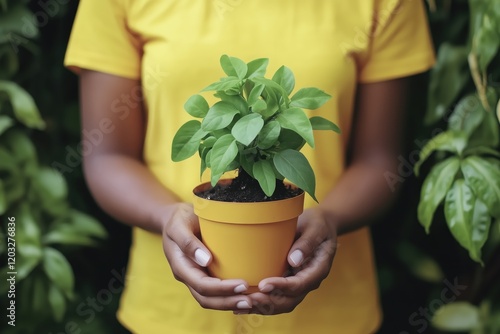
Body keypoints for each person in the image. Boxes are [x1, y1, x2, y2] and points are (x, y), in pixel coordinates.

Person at [64, 0, 435, 333]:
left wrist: (330, 218)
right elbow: (108, 156)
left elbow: (381, 161)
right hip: (170, 315)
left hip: (331, 316)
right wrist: (166, 216)